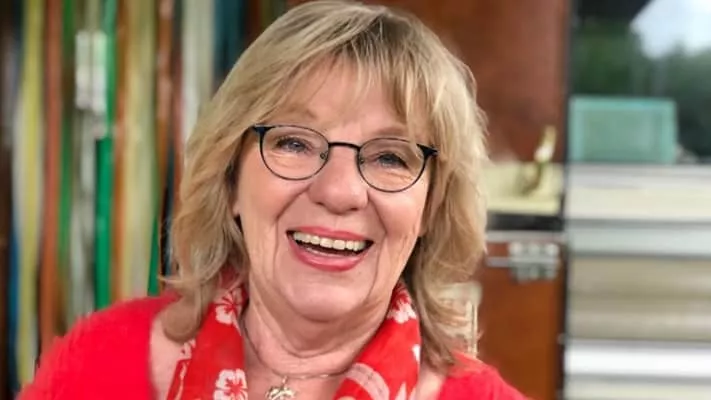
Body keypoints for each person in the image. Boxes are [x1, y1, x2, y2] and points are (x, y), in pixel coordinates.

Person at [20, 1, 527, 399]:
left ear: (431, 207)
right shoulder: (94, 364)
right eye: (294, 143)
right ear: (230, 178)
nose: (339, 191)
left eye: (390, 157)